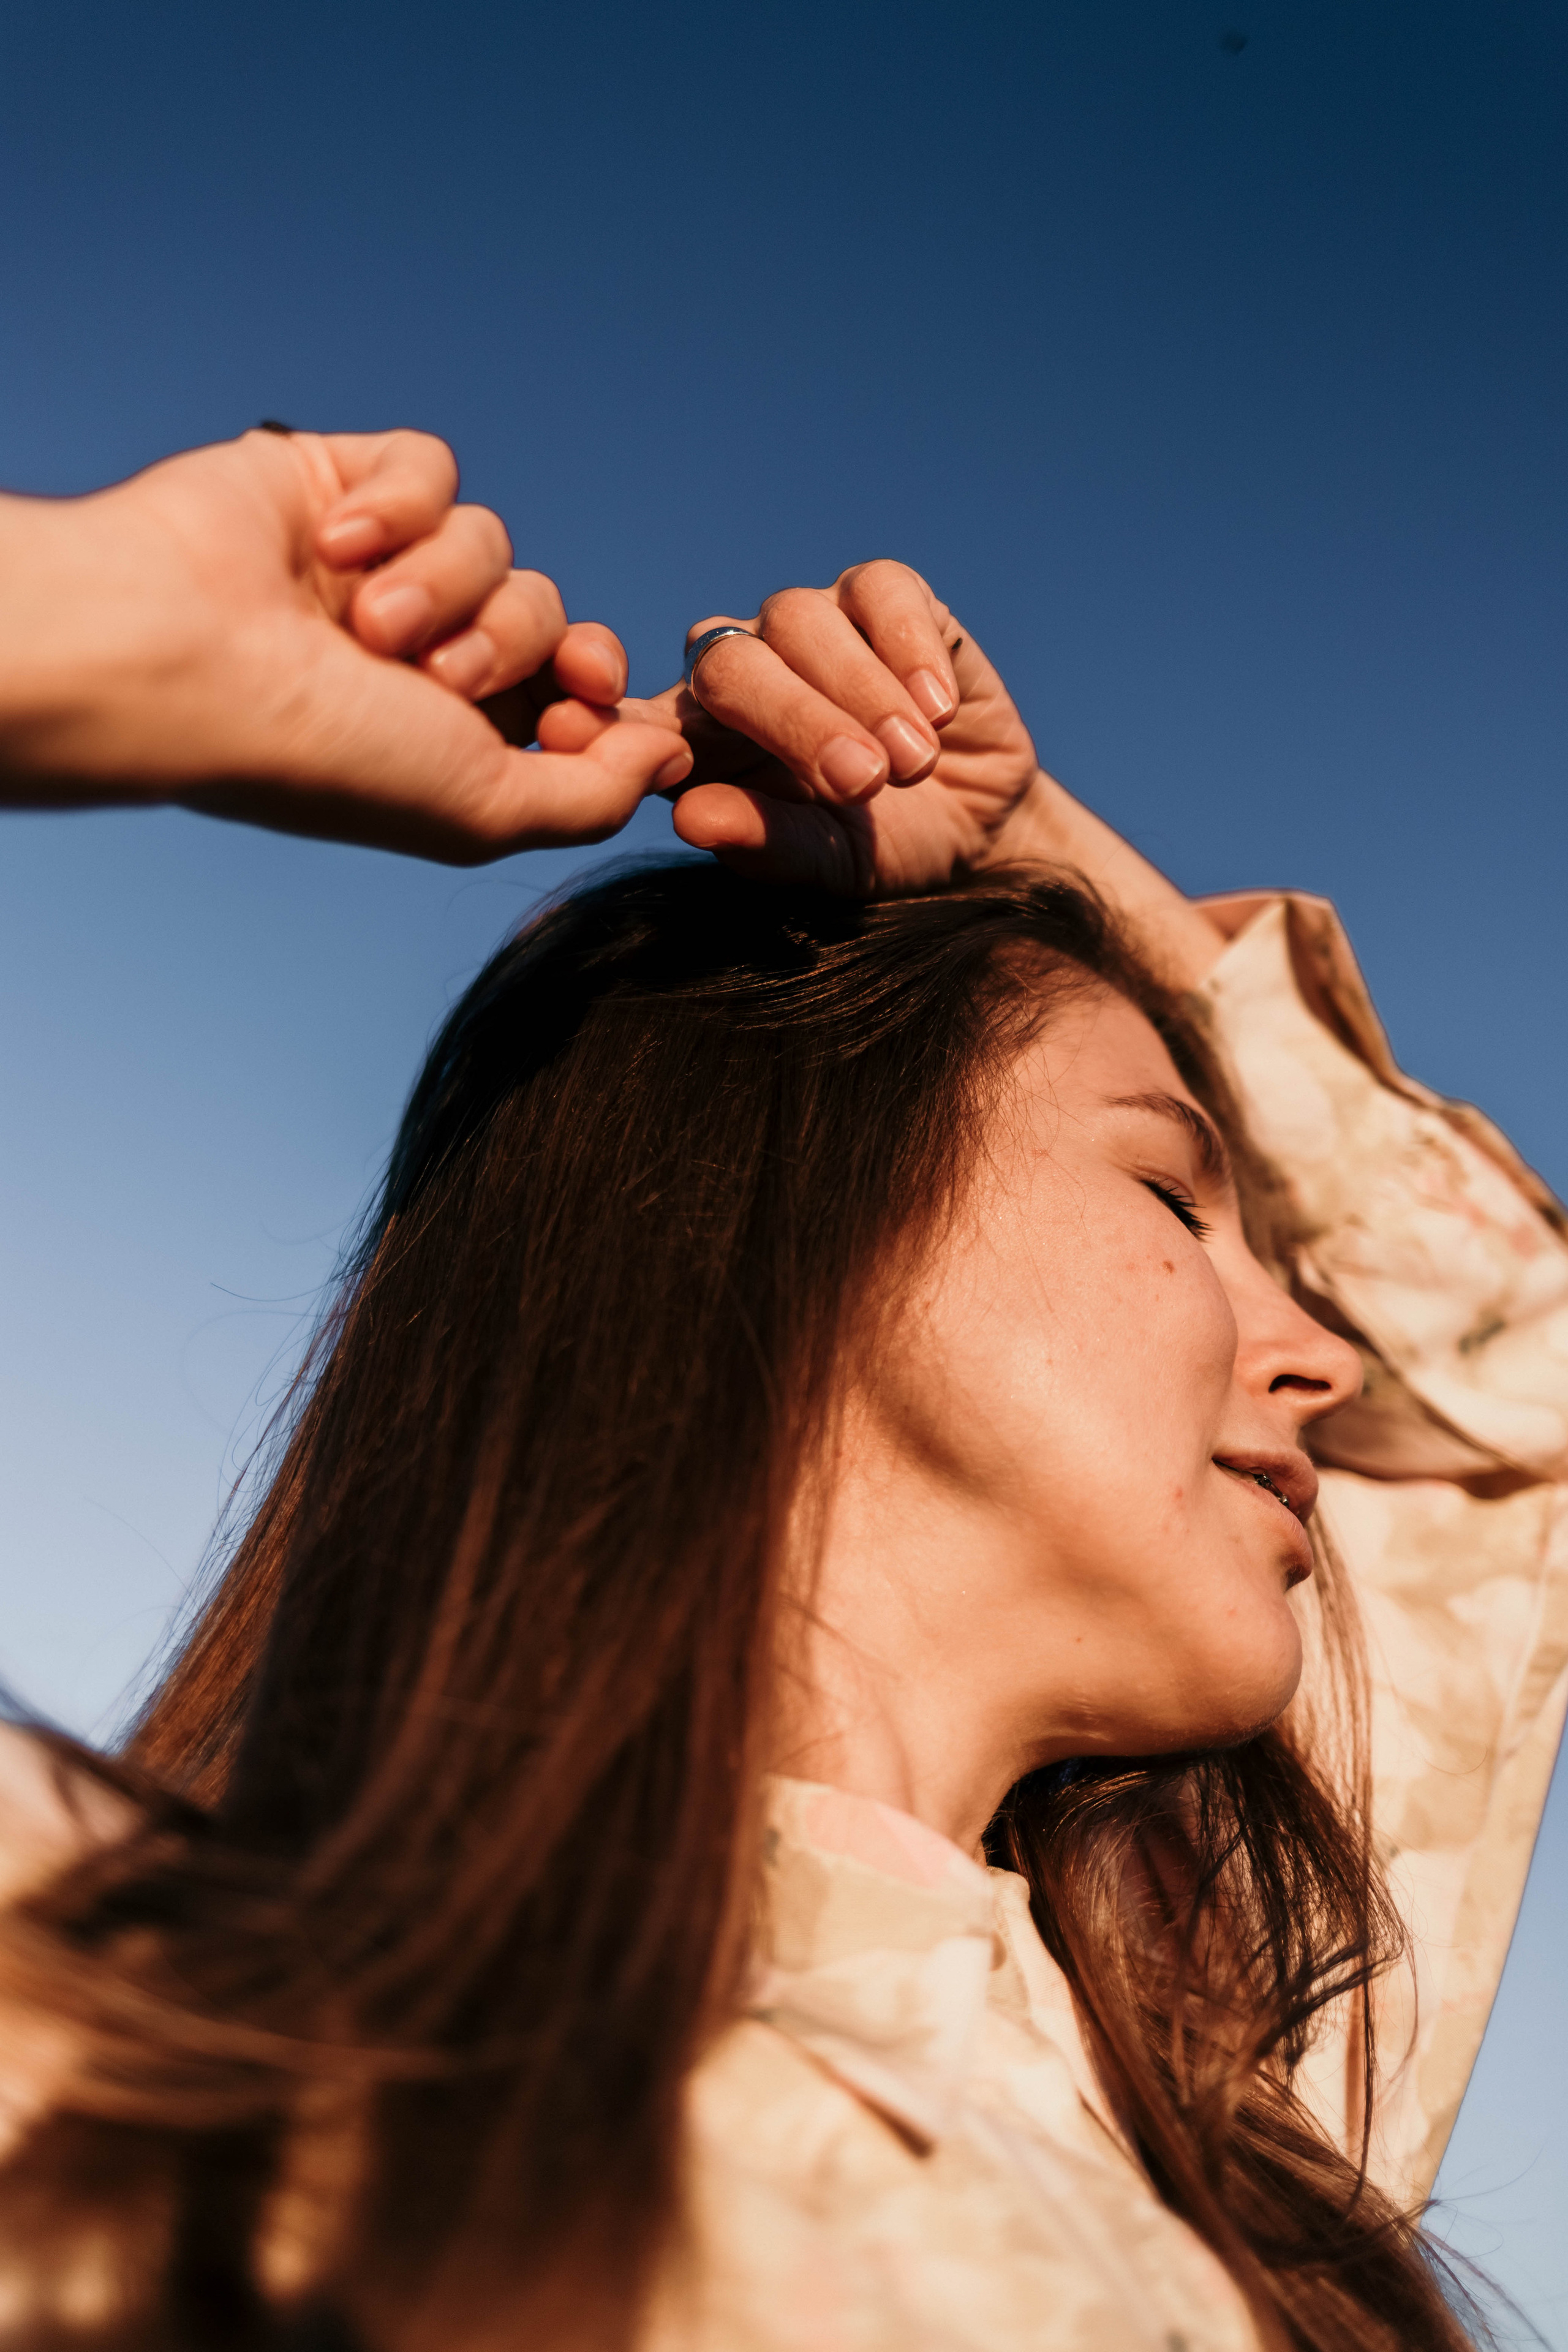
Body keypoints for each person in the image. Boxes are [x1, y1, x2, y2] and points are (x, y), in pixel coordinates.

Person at [0, 435, 1562, 2352]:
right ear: (793, 1224)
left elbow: (1519, 1368)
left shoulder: (1221, 2148)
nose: (1317, 1358)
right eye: (1174, 1198)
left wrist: (1026, 843)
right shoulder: (152, 2038)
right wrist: (107, 631)